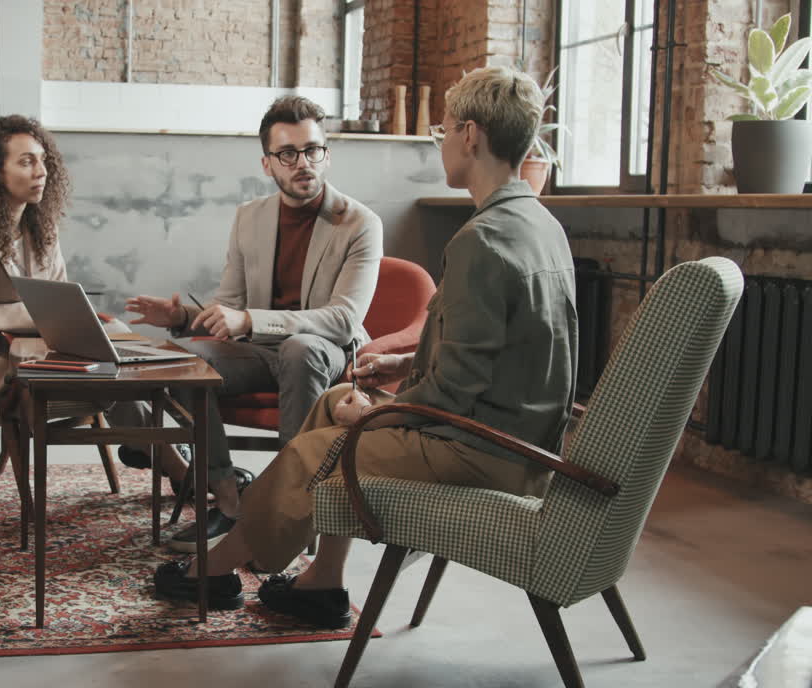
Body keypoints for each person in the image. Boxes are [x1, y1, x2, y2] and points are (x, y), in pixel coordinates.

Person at [151, 65, 579, 625]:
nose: (443, 143)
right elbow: (489, 352)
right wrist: (404, 362)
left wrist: (386, 414)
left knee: (315, 449)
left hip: (484, 453)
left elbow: (452, 390)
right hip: (519, 439)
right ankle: (321, 582)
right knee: (332, 407)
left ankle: (216, 569)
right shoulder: (539, 225)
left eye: (444, 131)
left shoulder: (481, 239)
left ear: (471, 135)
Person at [126, 96, 384, 552]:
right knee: (183, 358)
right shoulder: (250, 217)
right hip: (260, 349)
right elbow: (228, 304)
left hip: (324, 350)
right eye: (288, 154)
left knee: (299, 349)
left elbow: (344, 319)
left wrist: (249, 320)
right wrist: (185, 318)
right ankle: (229, 503)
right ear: (268, 164)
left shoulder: (360, 223)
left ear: (327, 153)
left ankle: (291, 506)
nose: (302, 162)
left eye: (313, 150)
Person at [0, 115, 176, 479]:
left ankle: (165, 452)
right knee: (111, 368)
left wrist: (71, 320)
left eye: (44, 161)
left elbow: (58, 296)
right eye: (27, 161)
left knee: (123, 352)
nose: (41, 171)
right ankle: (175, 462)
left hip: (43, 344)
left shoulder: (39, 228)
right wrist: (39, 318)